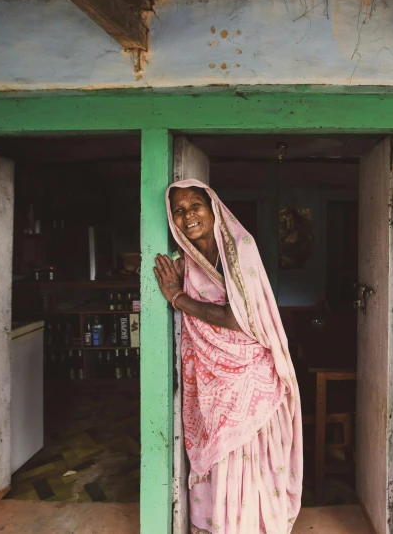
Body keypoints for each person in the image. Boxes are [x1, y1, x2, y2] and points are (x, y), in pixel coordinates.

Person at [153, 179, 303, 534]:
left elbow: (238, 318)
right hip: (214, 383)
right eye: (179, 209)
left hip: (248, 378)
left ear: (212, 206)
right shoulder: (189, 262)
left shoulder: (238, 248)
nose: (188, 214)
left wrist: (177, 298)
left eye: (194, 205)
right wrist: (179, 283)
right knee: (223, 461)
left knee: (250, 461)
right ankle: (221, 525)